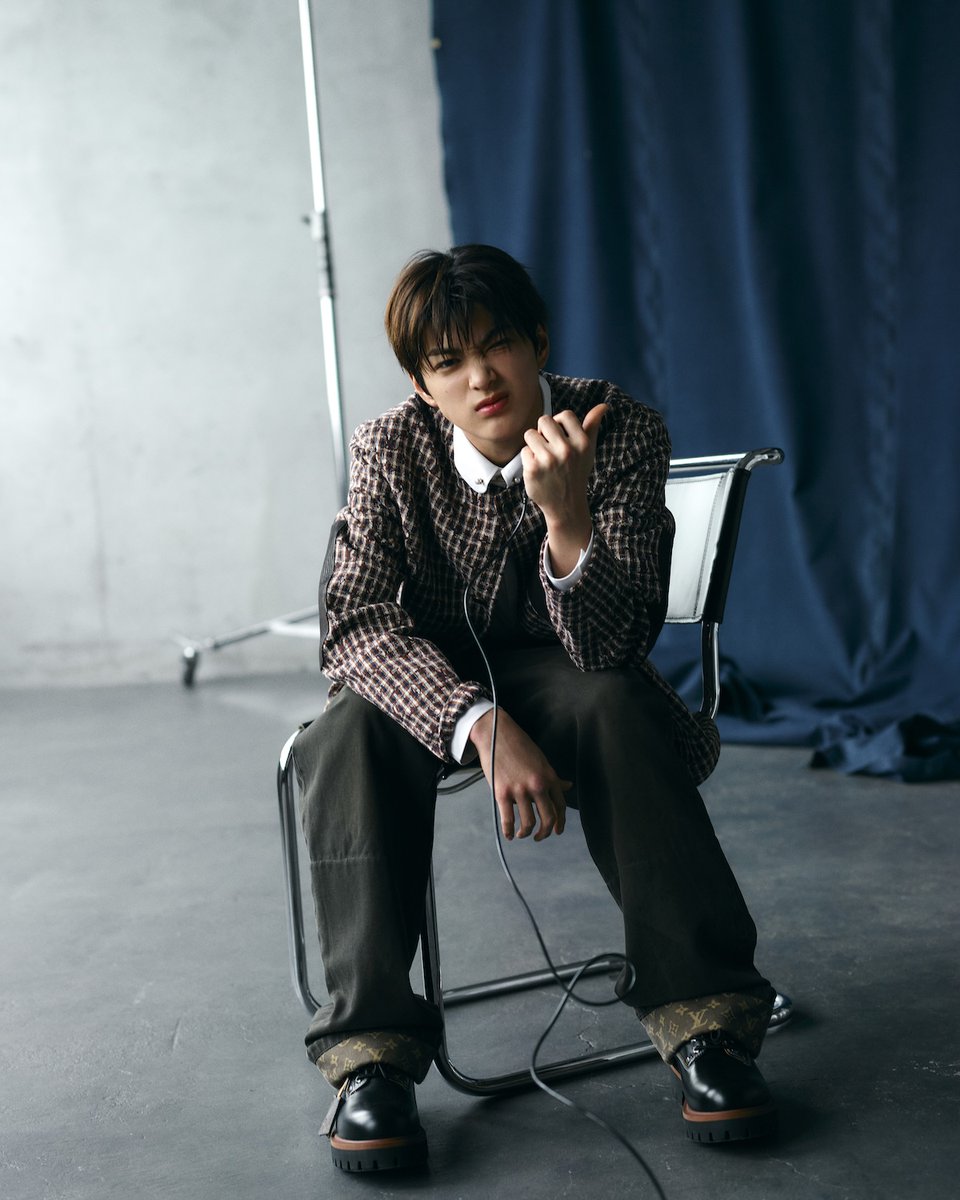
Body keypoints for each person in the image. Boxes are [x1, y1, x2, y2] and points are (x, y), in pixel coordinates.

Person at [292, 244, 778, 1172]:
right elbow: (353, 626)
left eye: (498, 346)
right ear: (421, 384)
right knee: (345, 728)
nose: (481, 378)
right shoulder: (389, 447)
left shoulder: (616, 429)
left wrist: (567, 520)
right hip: (438, 682)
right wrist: (480, 722)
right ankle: (370, 1055)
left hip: (573, 668)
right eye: (448, 363)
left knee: (615, 704)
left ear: (538, 342)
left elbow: (614, 648)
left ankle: (706, 1021)